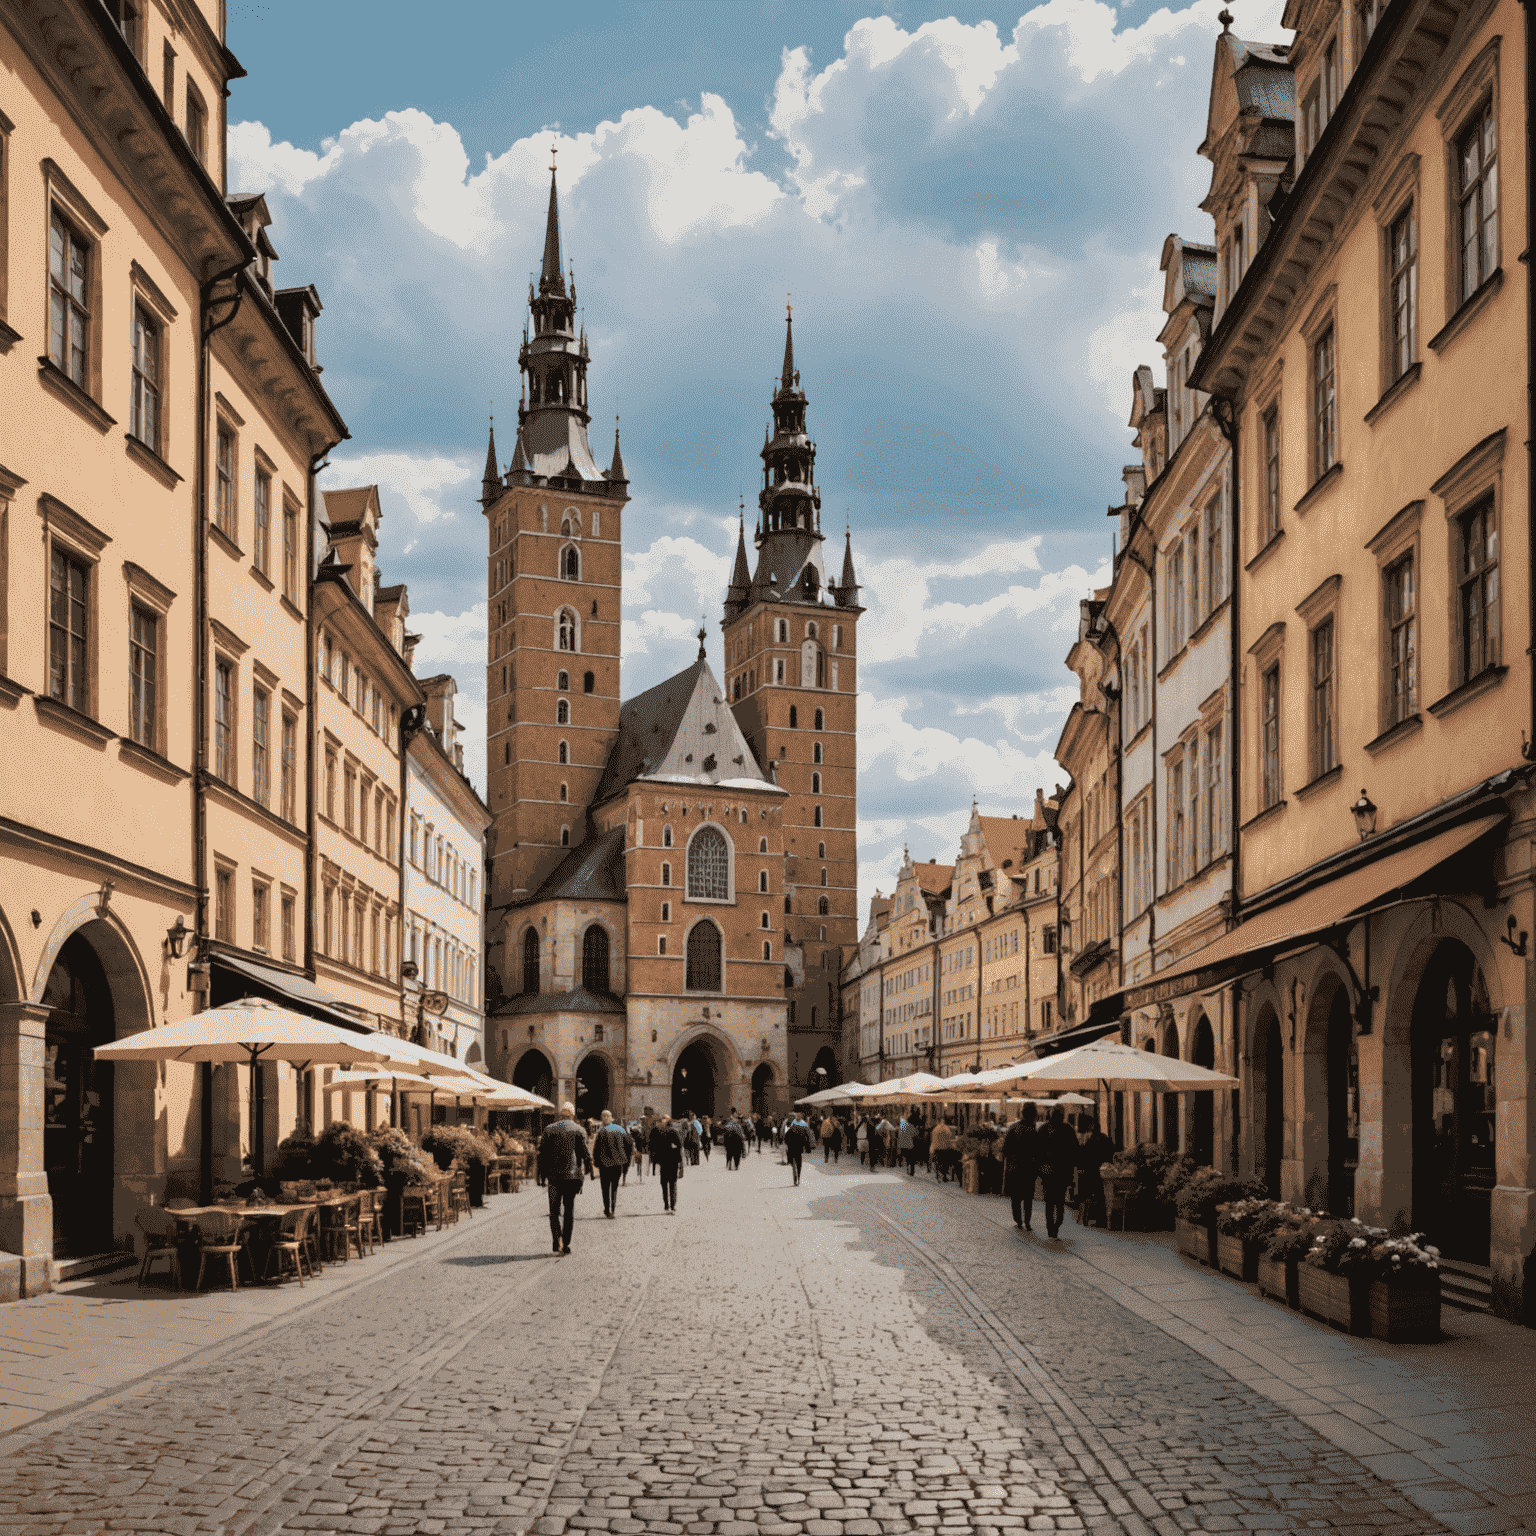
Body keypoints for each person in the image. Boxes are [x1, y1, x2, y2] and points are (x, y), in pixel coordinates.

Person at [537, 1101, 593, 1255]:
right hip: (572, 1177)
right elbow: (586, 1154)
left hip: (554, 1177)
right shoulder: (579, 1129)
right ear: (573, 1115)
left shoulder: (549, 1130)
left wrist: (541, 1177)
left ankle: (557, 1240)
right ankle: (566, 1242)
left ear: (560, 1114)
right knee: (569, 1210)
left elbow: (541, 1155)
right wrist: (587, 1171)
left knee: (554, 1210)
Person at [1035, 1105, 1080, 1240]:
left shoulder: (1043, 1129)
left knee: (1050, 1201)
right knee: (1058, 1200)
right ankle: (1054, 1227)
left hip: (1052, 1170)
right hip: (1062, 1171)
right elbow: (1075, 1150)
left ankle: (1052, 1229)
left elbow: (1037, 1150)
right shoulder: (1067, 1129)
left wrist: (1040, 1166)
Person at [1001, 1103, 1040, 1232]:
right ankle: (1027, 1222)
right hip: (1029, 1169)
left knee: (1016, 1197)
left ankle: (1018, 1221)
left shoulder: (1013, 1128)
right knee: (1028, 1197)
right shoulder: (1034, 1132)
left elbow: (1005, 1150)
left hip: (1015, 1168)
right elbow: (1038, 1152)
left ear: (1022, 1114)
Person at [1076, 1114, 1117, 1229]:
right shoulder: (1105, 1139)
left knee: (1091, 1195)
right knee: (1101, 1196)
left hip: (1091, 1173)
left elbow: (1083, 1157)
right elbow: (1111, 1153)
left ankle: (1087, 1217)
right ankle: (1102, 1219)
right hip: (1103, 1171)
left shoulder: (1090, 1141)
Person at [592, 1111, 633, 1219]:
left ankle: (607, 1209)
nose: (605, 1118)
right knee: (614, 1187)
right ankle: (613, 1209)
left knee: (605, 1188)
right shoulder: (621, 1130)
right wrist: (626, 1161)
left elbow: (596, 1149)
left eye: (606, 1116)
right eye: (603, 1116)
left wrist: (596, 1162)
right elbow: (629, 1145)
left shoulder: (601, 1132)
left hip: (605, 1164)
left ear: (610, 1118)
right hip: (618, 1164)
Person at [649, 1115, 685, 1213]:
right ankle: (670, 1205)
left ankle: (668, 1205)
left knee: (666, 1184)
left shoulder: (657, 1132)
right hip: (670, 1161)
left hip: (665, 1161)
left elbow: (652, 1147)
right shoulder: (671, 1131)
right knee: (670, 1184)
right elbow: (679, 1147)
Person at [784, 1114, 813, 1185]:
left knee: (792, 1162)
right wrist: (807, 1147)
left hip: (791, 1150)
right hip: (799, 1150)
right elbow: (805, 1140)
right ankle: (798, 1177)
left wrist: (788, 1145)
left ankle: (795, 1177)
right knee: (799, 1164)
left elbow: (786, 1140)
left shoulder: (789, 1131)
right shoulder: (801, 1130)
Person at [931, 1117, 957, 1182]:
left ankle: (938, 1173)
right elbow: (950, 1139)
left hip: (937, 1149)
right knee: (946, 1162)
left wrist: (932, 1149)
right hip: (945, 1149)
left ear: (938, 1121)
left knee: (938, 1161)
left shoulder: (935, 1129)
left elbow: (933, 1140)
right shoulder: (947, 1129)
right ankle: (945, 1175)